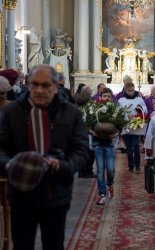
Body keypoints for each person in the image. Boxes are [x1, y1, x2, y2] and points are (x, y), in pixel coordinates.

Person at [0, 65, 89, 250]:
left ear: (56, 86)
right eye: (35, 85)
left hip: (55, 192)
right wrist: (11, 165)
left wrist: (63, 165)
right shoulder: (11, 112)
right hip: (20, 193)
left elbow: (81, 151)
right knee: (22, 245)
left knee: (54, 245)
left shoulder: (71, 113)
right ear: (28, 84)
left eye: (46, 85)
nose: (39, 90)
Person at [92, 88, 117, 205]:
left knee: (111, 169)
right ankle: (102, 194)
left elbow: (120, 124)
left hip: (110, 144)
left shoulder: (115, 110)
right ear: (100, 97)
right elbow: (89, 123)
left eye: (109, 96)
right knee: (100, 170)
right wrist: (92, 132)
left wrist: (117, 133)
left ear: (111, 97)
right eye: (104, 96)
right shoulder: (95, 108)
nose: (107, 98)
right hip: (98, 143)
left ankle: (110, 184)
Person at [118, 81, 147, 173]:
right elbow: (118, 112)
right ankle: (131, 166)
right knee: (129, 147)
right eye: (129, 90)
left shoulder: (139, 99)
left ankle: (137, 166)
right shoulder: (121, 100)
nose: (131, 92)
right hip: (126, 125)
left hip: (136, 125)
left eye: (132, 90)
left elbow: (144, 111)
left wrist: (138, 111)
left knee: (136, 145)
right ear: (125, 90)